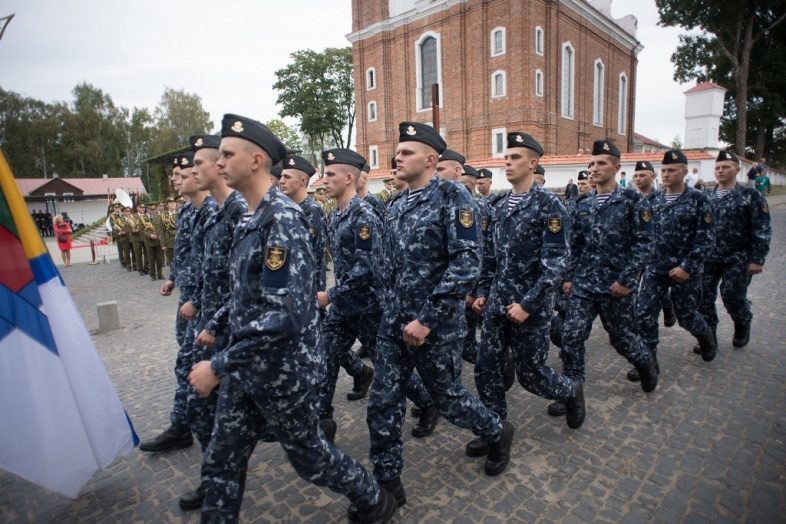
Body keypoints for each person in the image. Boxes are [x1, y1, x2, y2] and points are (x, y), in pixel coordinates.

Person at [188, 114, 396, 523]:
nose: (220, 162)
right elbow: (248, 292)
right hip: (247, 364)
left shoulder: (281, 220)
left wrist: (218, 365)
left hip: (280, 371)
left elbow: (284, 313)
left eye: (228, 154)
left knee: (310, 457)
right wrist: (217, 325)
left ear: (256, 160)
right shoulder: (250, 217)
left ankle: (371, 496)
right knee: (221, 459)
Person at [367, 122, 514, 494]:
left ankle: (496, 429)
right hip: (394, 327)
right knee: (383, 403)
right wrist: (388, 311)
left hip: (435, 328)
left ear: (430, 159)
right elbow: (387, 266)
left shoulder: (453, 198)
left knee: (449, 400)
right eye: (397, 152)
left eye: (406, 152)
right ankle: (386, 485)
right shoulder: (397, 204)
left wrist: (427, 320)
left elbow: (466, 263)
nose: (396, 158)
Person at [471, 132, 584, 457]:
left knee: (531, 375)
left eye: (516, 157)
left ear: (533, 163)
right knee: (486, 369)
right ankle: (495, 431)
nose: (508, 162)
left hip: (530, 309)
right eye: (506, 157)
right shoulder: (499, 205)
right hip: (496, 305)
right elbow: (491, 257)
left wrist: (528, 304)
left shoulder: (550, 207)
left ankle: (570, 391)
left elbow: (556, 264)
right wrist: (482, 291)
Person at [550, 139, 658, 416]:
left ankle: (646, 364)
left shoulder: (634, 201)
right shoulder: (582, 203)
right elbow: (573, 245)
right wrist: (568, 277)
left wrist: (627, 280)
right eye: (591, 163)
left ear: (616, 167)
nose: (594, 168)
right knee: (572, 337)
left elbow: (645, 244)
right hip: (584, 284)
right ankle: (572, 394)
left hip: (616, 286)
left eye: (601, 163)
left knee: (621, 338)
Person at [176, 134, 247, 510]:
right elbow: (210, 272)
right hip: (213, 326)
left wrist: (215, 322)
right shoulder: (216, 212)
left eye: (198, 164)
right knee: (201, 407)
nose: (192, 171)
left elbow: (246, 284)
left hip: (235, 332)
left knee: (269, 421)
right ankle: (215, 480)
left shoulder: (239, 210)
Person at [139, 152, 213, 454]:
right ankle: (184, 426)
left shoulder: (213, 211)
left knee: (191, 364)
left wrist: (197, 300)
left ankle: (187, 426)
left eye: (181, 174)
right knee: (187, 361)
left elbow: (218, 265)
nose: (174, 179)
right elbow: (183, 253)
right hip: (190, 299)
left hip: (207, 304)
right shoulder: (186, 212)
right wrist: (172, 277)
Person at [634, 149, 717, 382]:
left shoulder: (700, 200)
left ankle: (707, 337)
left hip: (685, 270)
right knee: (643, 315)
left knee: (687, 316)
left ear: (683, 171)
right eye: (663, 170)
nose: (666, 174)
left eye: (671, 170)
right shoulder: (653, 200)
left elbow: (706, 238)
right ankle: (648, 361)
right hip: (655, 268)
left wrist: (688, 267)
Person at [314, 148, 379, 442]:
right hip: (343, 308)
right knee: (326, 355)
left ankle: (427, 402)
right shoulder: (337, 215)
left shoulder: (363, 216)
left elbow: (366, 268)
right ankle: (321, 421)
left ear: (349, 177)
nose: (323, 179)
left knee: (390, 368)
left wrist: (331, 294)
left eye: (329, 174)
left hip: (369, 308)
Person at [699, 149, 770, 351]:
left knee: (732, 295)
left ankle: (742, 322)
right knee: (703, 297)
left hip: (738, 257)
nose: (720, 171)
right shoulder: (706, 197)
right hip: (709, 257)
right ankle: (709, 337)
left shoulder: (750, 196)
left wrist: (758, 258)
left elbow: (762, 228)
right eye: (718, 167)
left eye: (726, 167)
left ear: (737, 170)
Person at [632, 160, 677, 331]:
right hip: (635, 253)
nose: (638, 178)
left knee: (655, 288)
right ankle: (633, 324)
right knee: (633, 289)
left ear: (653, 176)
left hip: (657, 254)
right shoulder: (631, 199)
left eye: (642, 175)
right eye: (636, 175)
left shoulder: (662, 198)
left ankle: (668, 306)